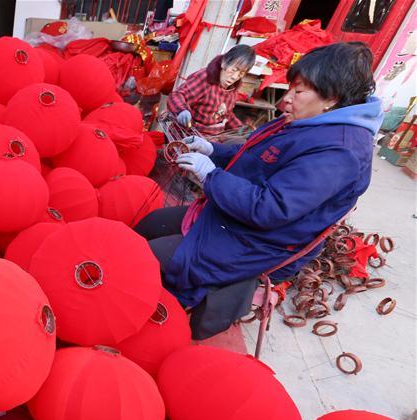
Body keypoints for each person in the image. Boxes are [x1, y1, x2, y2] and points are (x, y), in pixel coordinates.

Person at [137, 42, 382, 338]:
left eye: (298, 91)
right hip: (234, 214)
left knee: (146, 260)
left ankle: (170, 310)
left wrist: (210, 175)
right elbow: (258, 155)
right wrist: (212, 149)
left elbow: (270, 208)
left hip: (259, 239)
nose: (285, 100)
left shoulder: (338, 152)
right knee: (149, 226)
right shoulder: (309, 119)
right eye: (289, 89)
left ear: (331, 98)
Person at [167, 44, 256, 135]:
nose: (235, 77)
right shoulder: (204, 78)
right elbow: (177, 95)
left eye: (241, 74)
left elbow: (226, 114)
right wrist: (182, 110)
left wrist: (242, 130)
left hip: (213, 137)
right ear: (224, 63)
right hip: (190, 134)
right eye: (234, 70)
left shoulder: (232, 89)